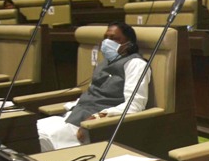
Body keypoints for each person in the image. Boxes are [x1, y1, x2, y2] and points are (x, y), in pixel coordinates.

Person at [37, 22, 150, 151]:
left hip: (94, 127)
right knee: (26, 132)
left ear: (129, 44)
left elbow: (135, 105)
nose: (107, 42)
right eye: (106, 37)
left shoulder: (136, 64)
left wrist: (98, 117)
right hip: (73, 116)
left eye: (114, 38)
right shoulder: (105, 62)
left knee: (36, 139)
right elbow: (93, 93)